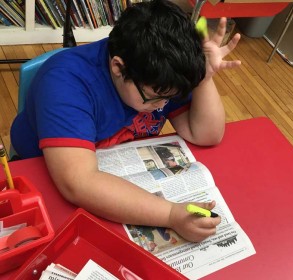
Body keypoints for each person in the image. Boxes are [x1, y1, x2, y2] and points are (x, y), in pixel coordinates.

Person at [10, 0, 241, 242]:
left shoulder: (162, 76)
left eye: (170, 98)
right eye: (154, 99)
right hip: (38, 174)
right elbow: (78, 183)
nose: (163, 106)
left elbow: (205, 134)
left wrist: (204, 78)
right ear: (118, 67)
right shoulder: (65, 82)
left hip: (115, 172)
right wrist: (171, 214)